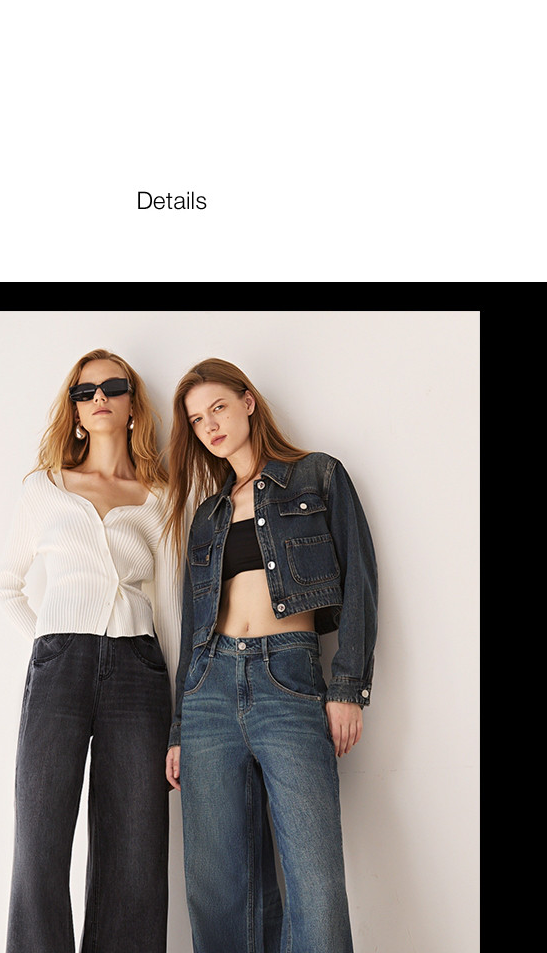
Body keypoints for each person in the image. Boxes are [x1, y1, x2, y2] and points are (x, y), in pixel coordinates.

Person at [164, 358, 378, 953]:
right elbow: (192, 626)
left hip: (288, 678)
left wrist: (348, 686)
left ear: (248, 402)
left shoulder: (317, 476)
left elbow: (360, 581)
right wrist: (179, 728)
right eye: (196, 419)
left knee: (316, 881)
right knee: (218, 886)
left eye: (218, 408)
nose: (210, 426)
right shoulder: (206, 516)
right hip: (208, 690)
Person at [0, 349, 182, 953]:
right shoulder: (45, 488)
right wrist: (51, 642)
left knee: (136, 849)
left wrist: (179, 715)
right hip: (60, 668)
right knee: (39, 844)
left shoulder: (158, 496)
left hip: (139, 669)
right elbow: (6, 586)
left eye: (112, 386)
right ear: (75, 412)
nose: (98, 397)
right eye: (84, 391)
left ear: (132, 405)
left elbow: (170, 606)